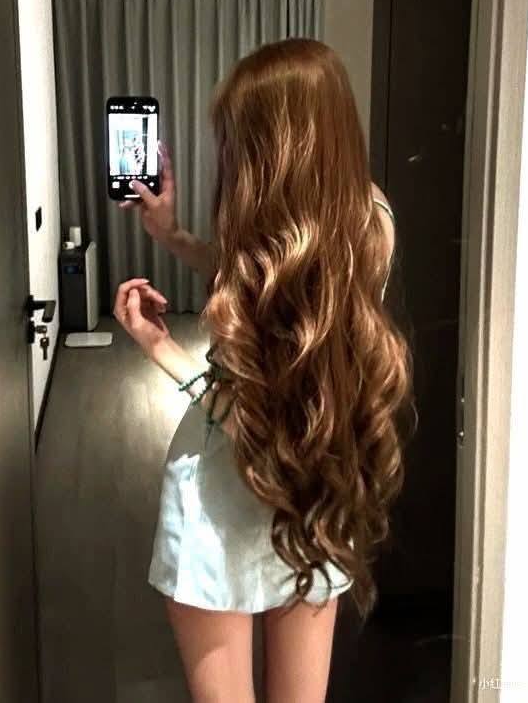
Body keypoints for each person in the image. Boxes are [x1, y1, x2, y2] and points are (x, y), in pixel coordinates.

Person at [113, 38, 414, 702]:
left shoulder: (317, 233)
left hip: (221, 497)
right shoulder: (367, 222)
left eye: (235, 141)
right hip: (312, 497)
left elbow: (256, 417)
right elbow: (257, 279)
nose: (227, 157)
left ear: (273, 147)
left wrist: (159, 347)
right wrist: (172, 236)